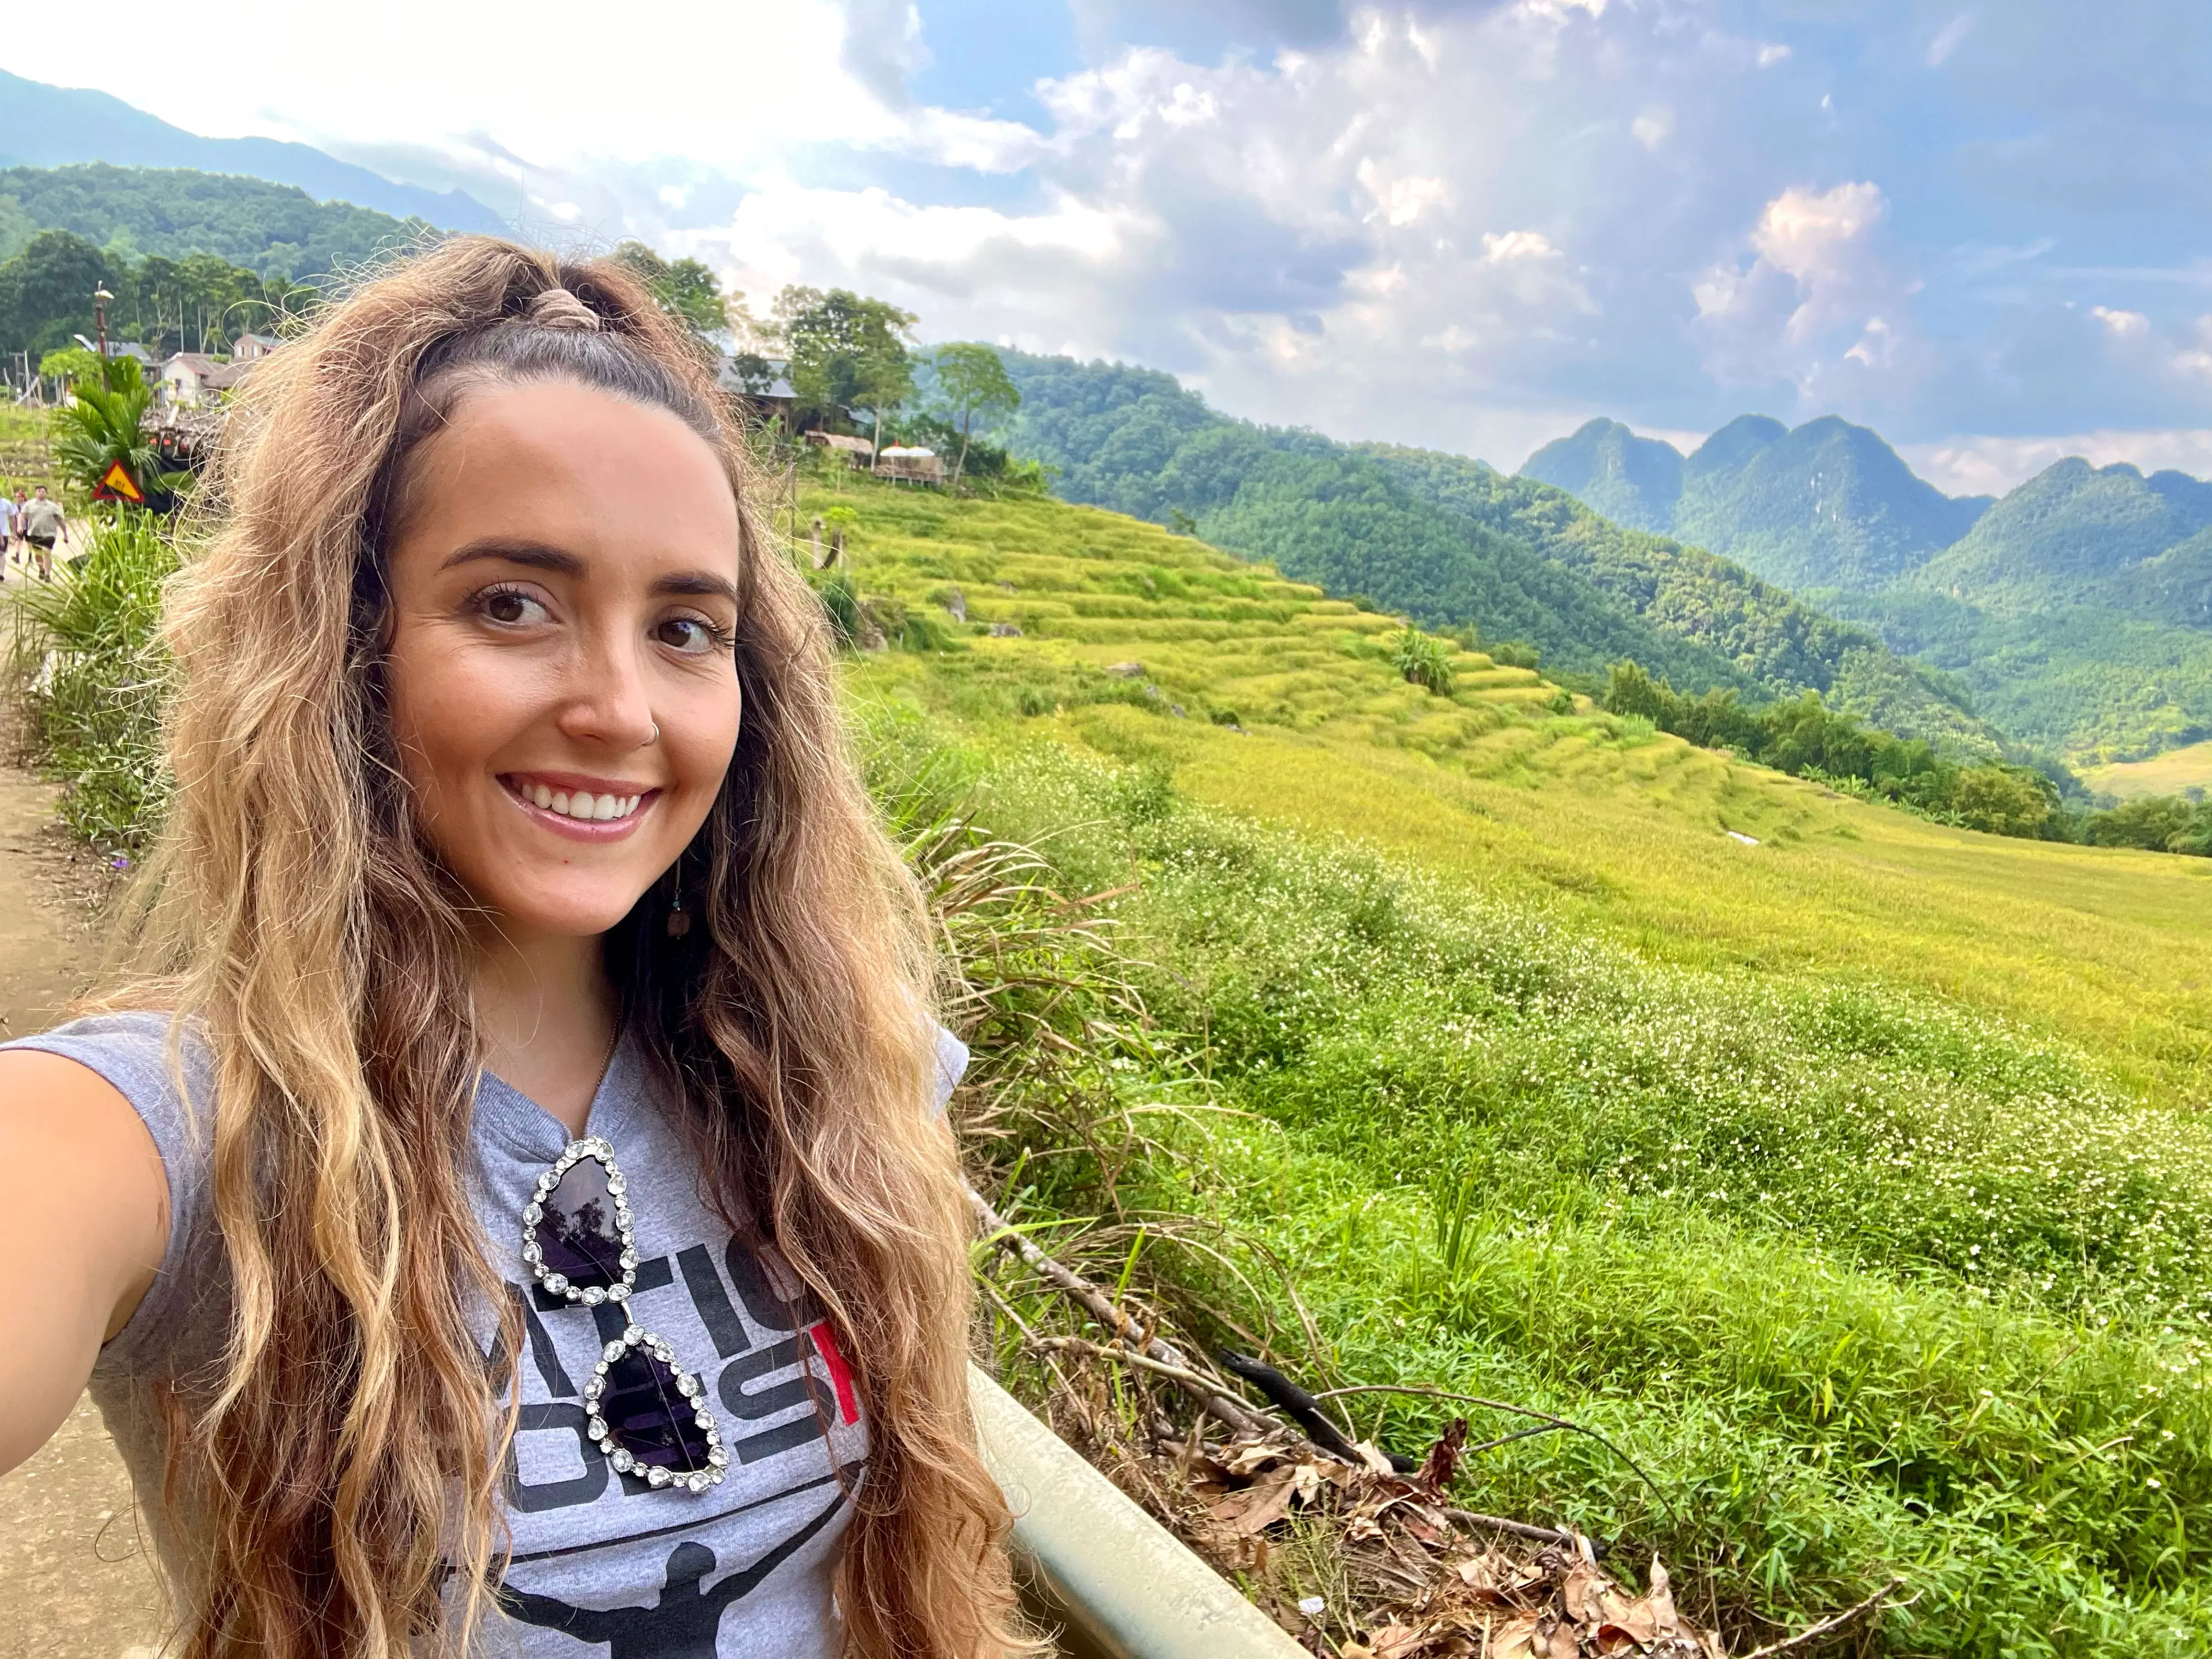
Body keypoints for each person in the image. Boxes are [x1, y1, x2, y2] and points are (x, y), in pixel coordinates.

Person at [0, 240, 1018, 1658]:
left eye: (683, 628)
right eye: (511, 604)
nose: (619, 707)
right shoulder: (203, 1127)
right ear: (348, 641)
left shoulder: (844, 1082)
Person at [20, 483, 65, 579]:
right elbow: (22, 515)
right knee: (38, 555)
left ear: (46, 493)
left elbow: (60, 521)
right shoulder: (29, 504)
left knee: (46, 552)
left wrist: (65, 534)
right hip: (34, 533)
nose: (41, 492)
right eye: (39, 491)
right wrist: (20, 526)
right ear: (36, 493)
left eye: (43, 491)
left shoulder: (52, 506)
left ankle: (48, 574)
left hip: (49, 534)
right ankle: (41, 568)